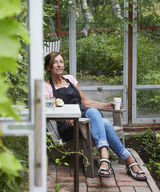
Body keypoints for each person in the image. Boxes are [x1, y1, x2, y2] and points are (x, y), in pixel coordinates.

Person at [44, 51, 147, 181]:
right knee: (104, 122)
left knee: (93, 112)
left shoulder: (69, 79)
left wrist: (106, 105)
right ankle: (128, 160)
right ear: (48, 67)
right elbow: (50, 108)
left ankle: (106, 158)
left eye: (61, 62)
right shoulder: (46, 87)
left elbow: (85, 102)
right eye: (55, 62)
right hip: (70, 125)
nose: (59, 65)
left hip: (86, 117)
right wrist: (65, 116)